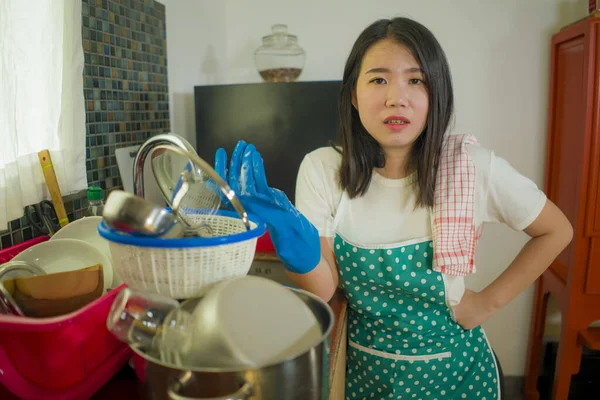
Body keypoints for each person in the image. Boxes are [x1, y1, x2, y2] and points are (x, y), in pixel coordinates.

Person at [214, 17, 573, 400]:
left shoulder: (470, 167)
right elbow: (324, 287)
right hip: (367, 376)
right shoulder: (322, 169)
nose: (396, 97)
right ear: (353, 94)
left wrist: (485, 304)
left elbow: (557, 230)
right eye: (379, 79)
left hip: (456, 377)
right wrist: (291, 242)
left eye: (415, 80)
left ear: (436, 93)